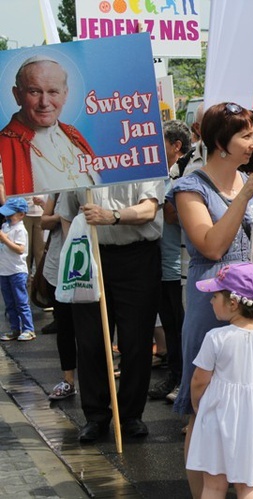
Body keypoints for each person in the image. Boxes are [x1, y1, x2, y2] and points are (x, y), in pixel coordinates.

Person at [170, 103, 253, 498]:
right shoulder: (191, 187)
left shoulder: (252, 180)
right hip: (214, 299)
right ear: (219, 143)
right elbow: (211, 246)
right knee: (205, 403)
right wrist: (245, 194)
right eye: (245, 135)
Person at [59, 179, 165, 443]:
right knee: (90, 340)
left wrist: (112, 217)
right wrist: (72, 251)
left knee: (136, 342)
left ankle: (130, 414)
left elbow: (148, 210)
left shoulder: (139, 155)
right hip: (91, 256)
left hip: (137, 258)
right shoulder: (76, 163)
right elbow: (66, 216)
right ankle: (95, 416)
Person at [186, 262, 253, 499]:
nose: (211, 301)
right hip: (252, 418)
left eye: (215, 296)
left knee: (213, 484)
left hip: (217, 414)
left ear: (232, 303)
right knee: (248, 484)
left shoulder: (215, 337)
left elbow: (200, 379)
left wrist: (197, 404)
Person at [0, 55, 99, 195]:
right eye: (34, 91)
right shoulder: (4, 146)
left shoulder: (73, 135)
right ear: (17, 95)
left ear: (65, 94)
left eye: (53, 92)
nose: (44, 102)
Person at [148, 120, 190, 402]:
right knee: (171, 327)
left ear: (176, 146)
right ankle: (174, 377)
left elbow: (175, 217)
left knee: (181, 328)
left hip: (177, 268)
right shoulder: (158, 176)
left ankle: (184, 382)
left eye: (161, 142)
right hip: (159, 267)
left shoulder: (183, 177)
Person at [41, 194, 78, 399]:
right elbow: (43, 221)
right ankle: (68, 380)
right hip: (58, 268)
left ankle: (102, 382)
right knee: (65, 327)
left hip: (88, 267)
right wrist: (60, 216)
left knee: (93, 331)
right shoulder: (57, 189)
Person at [0, 197, 35, 342]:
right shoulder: (5, 227)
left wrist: (5, 240)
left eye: (11, 214)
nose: (8, 217)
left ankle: (29, 329)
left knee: (21, 301)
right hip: (4, 270)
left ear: (22, 214)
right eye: (6, 214)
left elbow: (20, 249)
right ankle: (15, 328)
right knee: (9, 303)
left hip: (17, 271)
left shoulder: (20, 229)